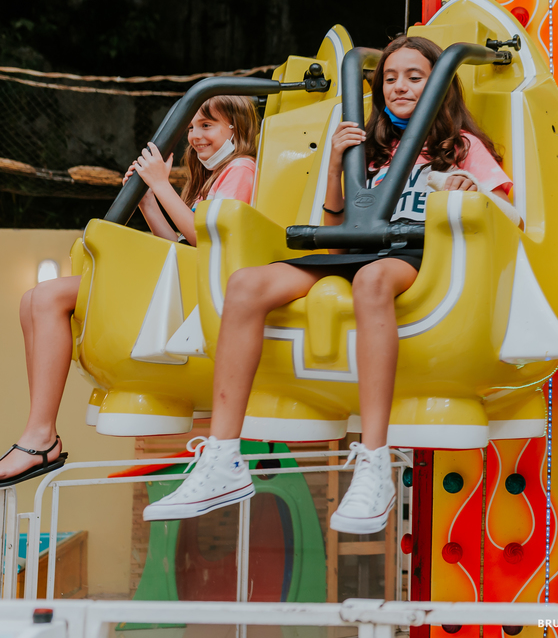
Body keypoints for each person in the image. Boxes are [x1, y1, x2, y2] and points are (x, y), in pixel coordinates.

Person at [143, 35, 514, 533]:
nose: (400, 86)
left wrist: (469, 192)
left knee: (373, 280)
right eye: (390, 77)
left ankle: (376, 460)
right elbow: (335, 225)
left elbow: (510, 214)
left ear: (440, 87)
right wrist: (337, 167)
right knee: (247, 285)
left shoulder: (459, 146)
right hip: (359, 246)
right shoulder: (373, 149)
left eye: (414, 76)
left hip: (414, 252)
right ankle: (224, 457)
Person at [0, 95, 260, 487]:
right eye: (191, 128)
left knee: (49, 297)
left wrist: (159, 183)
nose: (195, 136)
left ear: (235, 129)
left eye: (207, 125)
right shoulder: (210, 178)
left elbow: (209, 243)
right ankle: (39, 429)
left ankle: (41, 436)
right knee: (32, 300)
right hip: (186, 283)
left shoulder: (241, 168)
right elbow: (179, 246)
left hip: (202, 295)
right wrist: (150, 203)